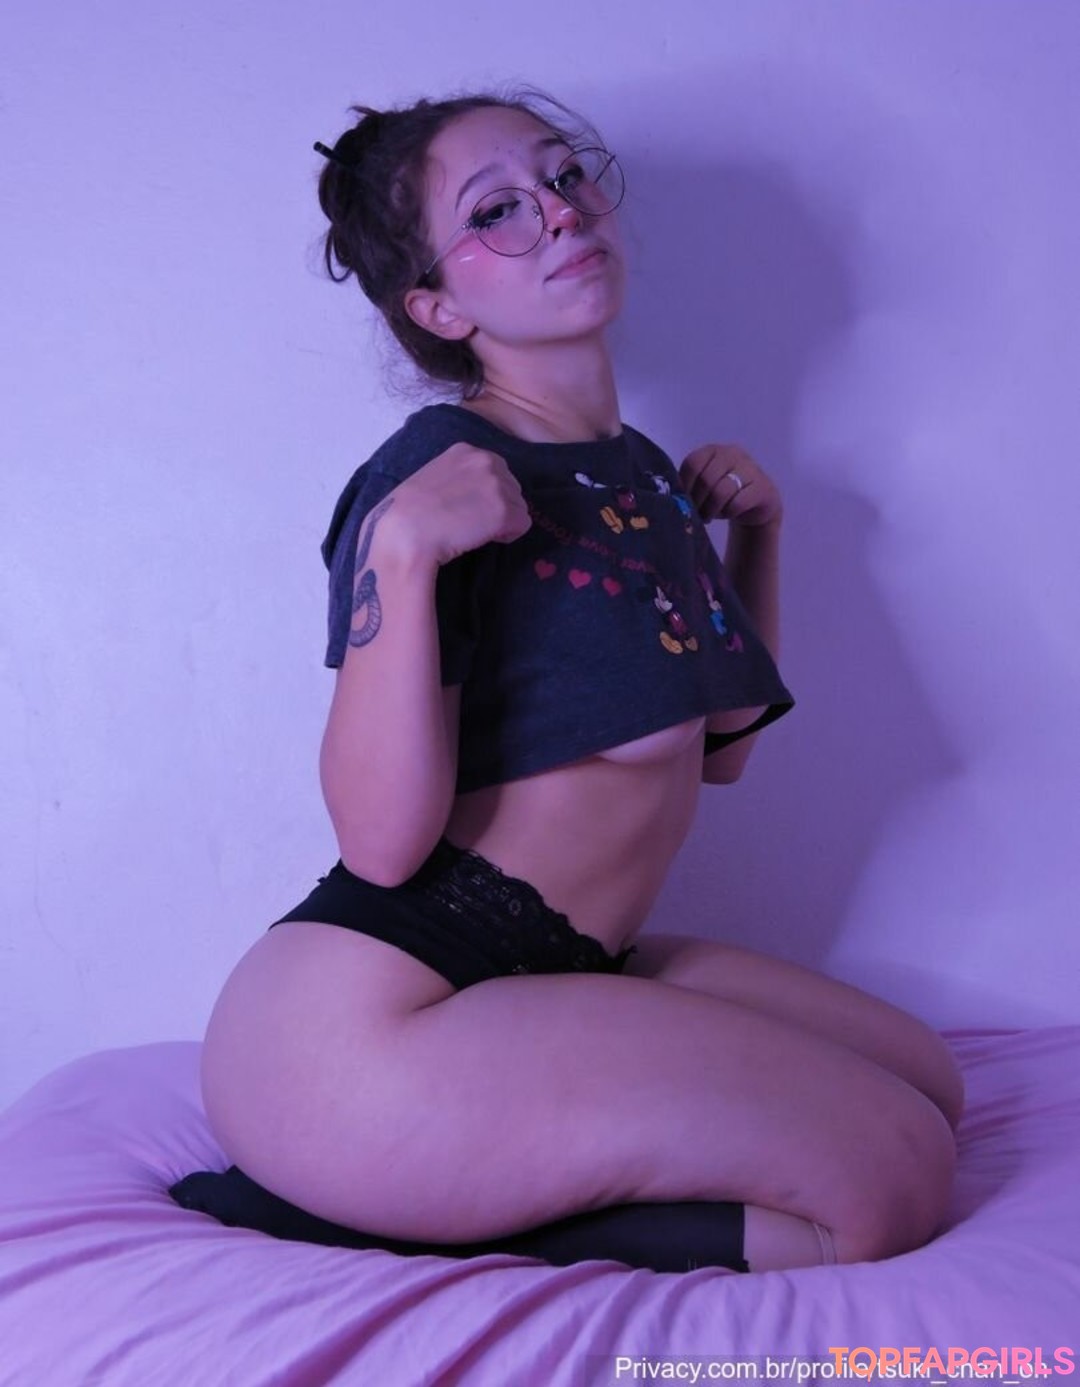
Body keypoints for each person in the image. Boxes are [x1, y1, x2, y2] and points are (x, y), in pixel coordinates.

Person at [186, 84, 964, 1275]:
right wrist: (399, 551)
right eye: (495, 210)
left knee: (933, 1086)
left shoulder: (638, 469)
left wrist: (759, 537)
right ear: (437, 305)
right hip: (369, 1030)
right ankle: (378, 1208)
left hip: (561, 966)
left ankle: (454, 1199)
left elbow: (725, 745)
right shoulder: (435, 477)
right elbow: (381, 848)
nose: (557, 212)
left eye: (561, 176)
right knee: (889, 1181)